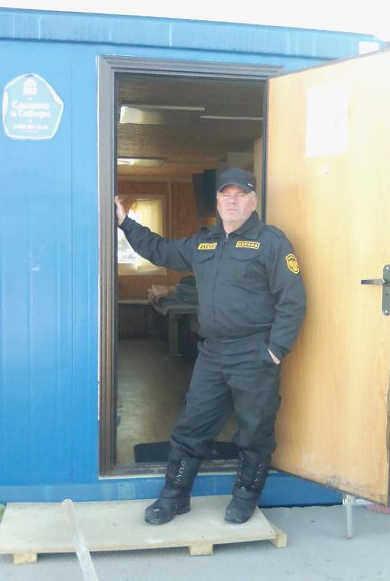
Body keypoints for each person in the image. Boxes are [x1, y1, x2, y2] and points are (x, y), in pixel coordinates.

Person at [115, 167, 306, 525]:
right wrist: (125, 222)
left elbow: (292, 300)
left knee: (255, 430)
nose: (232, 201)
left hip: (254, 355)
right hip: (213, 353)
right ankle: (174, 496)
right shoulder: (203, 243)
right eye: (225, 195)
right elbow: (160, 249)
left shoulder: (271, 242)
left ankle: (245, 497)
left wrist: (274, 350)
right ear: (217, 201)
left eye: (240, 195)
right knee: (192, 426)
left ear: (253, 201)